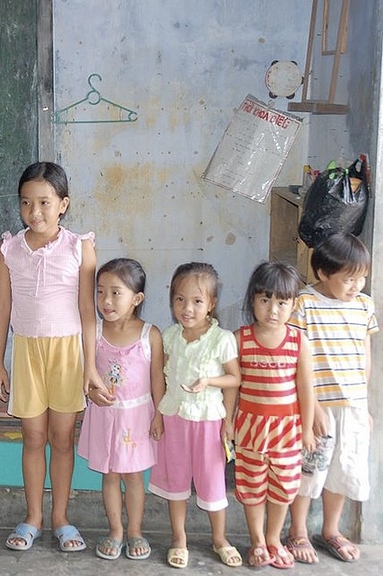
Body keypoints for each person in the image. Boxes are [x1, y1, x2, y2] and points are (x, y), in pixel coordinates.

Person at [0, 162, 103, 552]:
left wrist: (90, 365)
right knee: (33, 436)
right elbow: (2, 307)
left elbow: (88, 311)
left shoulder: (80, 247)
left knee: (62, 438)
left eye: (43, 202)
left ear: (63, 205)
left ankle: (61, 518)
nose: (34, 212)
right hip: (27, 351)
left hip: (68, 354)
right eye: (26, 203)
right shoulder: (8, 248)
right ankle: (33, 517)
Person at [284, 233, 378, 564]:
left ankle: (331, 530)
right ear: (324, 274)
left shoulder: (365, 306)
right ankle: (297, 531)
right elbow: (295, 360)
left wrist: (362, 405)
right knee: (308, 471)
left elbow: (364, 356)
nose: (357, 285)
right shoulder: (304, 304)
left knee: (343, 468)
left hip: (350, 404)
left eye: (362, 277)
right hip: (316, 405)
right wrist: (313, 407)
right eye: (349, 278)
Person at [148, 262, 242, 569]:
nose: (187, 308)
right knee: (175, 482)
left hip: (208, 421)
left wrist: (227, 421)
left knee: (212, 481)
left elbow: (234, 380)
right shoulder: (170, 336)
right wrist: (159, 415)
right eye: (179, 299)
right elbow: (161, 379)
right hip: (174, 419)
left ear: (212, 304)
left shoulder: (222, 339)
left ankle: (220, 539)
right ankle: (179, 538)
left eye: (197, 301)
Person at [77, 258, 164, 560]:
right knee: (110, 475)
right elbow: (85, 374)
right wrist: (91, 392)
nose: (106, 300)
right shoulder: (94, 332)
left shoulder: (150, 335)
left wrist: (159, 415)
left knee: (133, 477)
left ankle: (135, 531)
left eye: (116, 292)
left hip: (136, 418)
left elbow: (157, 382)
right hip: (105, 416)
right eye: (100, 292)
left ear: (137, 298)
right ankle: (115, 530)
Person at [229, 262, 315, 567]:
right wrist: (228, 423)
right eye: (265, 300)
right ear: (252, 299)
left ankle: (275, 538)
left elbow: (306, 386)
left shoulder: (298, 341)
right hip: (250, 428)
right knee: (252, 487)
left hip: (288, 431)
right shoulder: (240, 339)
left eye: (282, 302)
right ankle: (257, 541)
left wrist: (307, 428)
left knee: (284, 487)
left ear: (293, 304)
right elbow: (232, 388)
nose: (273, 310)